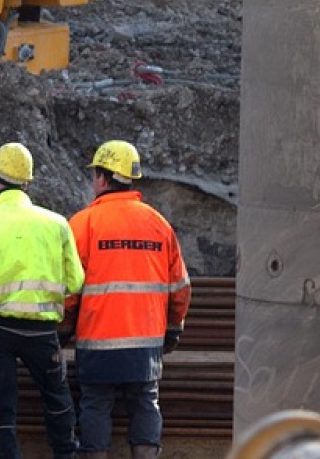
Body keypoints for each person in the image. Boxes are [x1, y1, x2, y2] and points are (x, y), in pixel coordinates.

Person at [0, 142, 86, 459]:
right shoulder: (57, 225)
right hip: (42, 334)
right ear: (26, 183)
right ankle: (66, 454)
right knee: (56, 398)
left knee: (2, 413)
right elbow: (76, 281)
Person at [66, 140, 191, 459]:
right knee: (145, 402)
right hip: (145, 344)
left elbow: (68, 288)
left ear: (104, 178)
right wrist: (173, 327)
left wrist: (65, 327)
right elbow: (180, 286)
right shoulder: (158, 224)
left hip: (98, 343)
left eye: (95, 174)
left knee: (94, 404)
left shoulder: (83, 224)